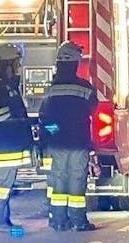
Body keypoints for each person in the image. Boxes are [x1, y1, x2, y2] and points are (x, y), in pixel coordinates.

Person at [38, 42, 98, 232]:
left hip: (57, 144)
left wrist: (55, 134)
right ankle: (79, 221)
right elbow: (93, 108)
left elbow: (44, 117)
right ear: (76, 63)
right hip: (79, 142)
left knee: (58, 181)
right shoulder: (85, 88)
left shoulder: (50, 89)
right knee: (77, 181)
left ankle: (58, 221)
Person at [0, 44, 29, 232]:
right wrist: (17, 122)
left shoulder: (6, 85)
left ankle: (2, 220)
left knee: (6, 183)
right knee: (2, 184)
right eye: (16, 62)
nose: (18, 66)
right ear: (7, 64)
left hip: (9, 142)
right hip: (5, 143)